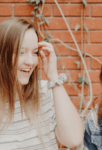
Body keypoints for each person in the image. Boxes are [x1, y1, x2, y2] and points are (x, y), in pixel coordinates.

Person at [0, 18, 84, 150]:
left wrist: (53, 78)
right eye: (21, 52)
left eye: (34, 52)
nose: (30, 61)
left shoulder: (46, 92)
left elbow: (74, 140)